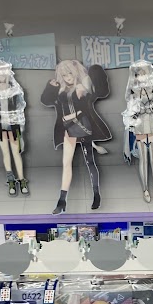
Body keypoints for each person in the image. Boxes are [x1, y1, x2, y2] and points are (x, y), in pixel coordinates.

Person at [41, 59, 111, 214]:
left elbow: (88, 105)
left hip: (83, 126)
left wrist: (73, 115)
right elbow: (45, 101)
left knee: (90, 162)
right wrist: (50, 87)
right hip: (68, 128)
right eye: (64, 75)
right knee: (66, 163)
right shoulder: (60, 90)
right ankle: (62, 201)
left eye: (70, 74)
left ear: (75, 73)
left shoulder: (82, 87)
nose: (68, 78)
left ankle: (96, 194)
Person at [122, 60, 153, 203]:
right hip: (140, 128)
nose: (141, 76)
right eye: (138, 74)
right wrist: (132, 121)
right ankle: (145, 189)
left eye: (143, 73)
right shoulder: (133, 93)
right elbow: (129, 112)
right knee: (143, 160)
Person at [0, 60, 29, 197]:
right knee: (6, 153)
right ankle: (11, 180)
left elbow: (21, 106)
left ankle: (22, 180)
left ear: (8, 73)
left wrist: (17, 120)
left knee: (16, 152)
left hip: (14, 124)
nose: (1, 75)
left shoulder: (15, 88)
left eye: (3, 72)